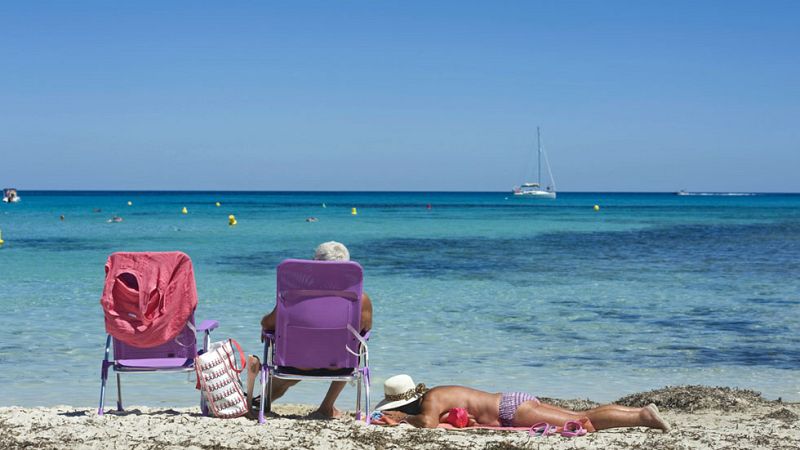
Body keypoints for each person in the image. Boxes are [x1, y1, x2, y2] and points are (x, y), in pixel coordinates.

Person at [247, 241, 373, 419]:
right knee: (355, 346)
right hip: (340, 365)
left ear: (314, 264)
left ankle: (261, 403)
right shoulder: (361, 300)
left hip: (296, 364)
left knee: (302, 355)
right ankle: (326, 407)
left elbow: (269, 323)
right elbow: (365, 329)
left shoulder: (295, 294)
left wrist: (263, 324)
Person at [373, 374, 670, 433]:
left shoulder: (431, 402)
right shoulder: (437, 392)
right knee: (582, 416)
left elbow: (428, 423)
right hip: (512, 403)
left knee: (583, 422)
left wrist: (399, 418)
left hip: (510, 410)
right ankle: (639, 414)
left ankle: (642, 417)